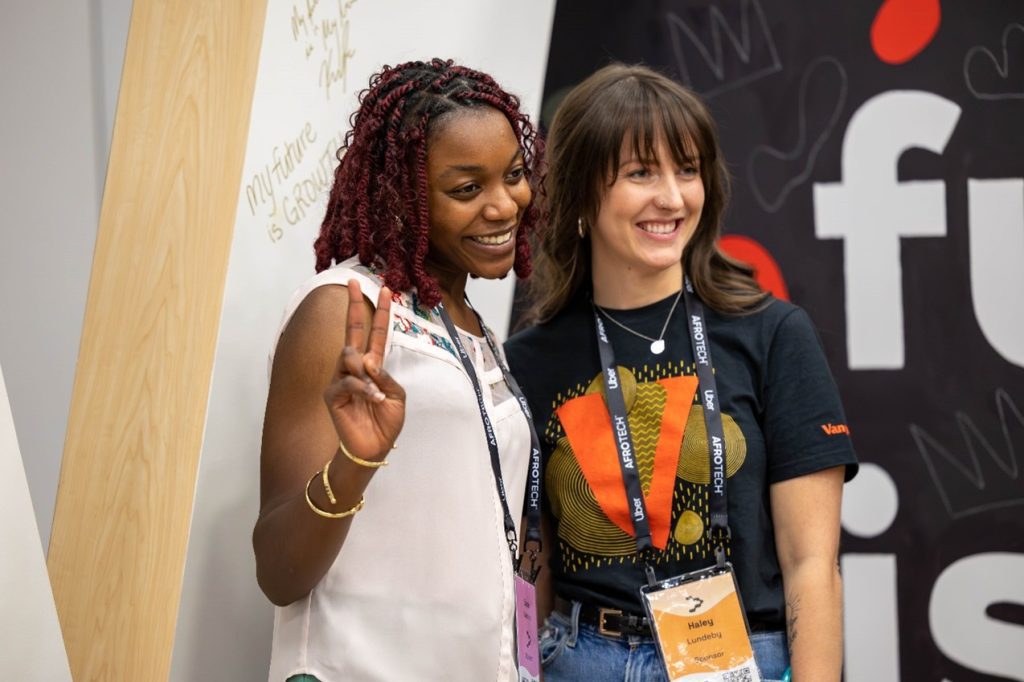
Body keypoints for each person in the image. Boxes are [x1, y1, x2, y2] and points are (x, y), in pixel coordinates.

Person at [504, 63, 858, 682]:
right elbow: (533, 567)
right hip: (583, 660)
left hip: (741, 657)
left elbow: (812, 564)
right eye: (641, 172)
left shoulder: (772, 334)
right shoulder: (529, 362)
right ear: (582, 191)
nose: (672, 197)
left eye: (687, 170)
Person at [253, 58, 543, 682]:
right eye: (467, 189)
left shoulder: (476, 329)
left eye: (514, 175)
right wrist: (354, 463)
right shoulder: (344, 307)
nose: (503, 205)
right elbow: (278, 571)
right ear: (401, 196)